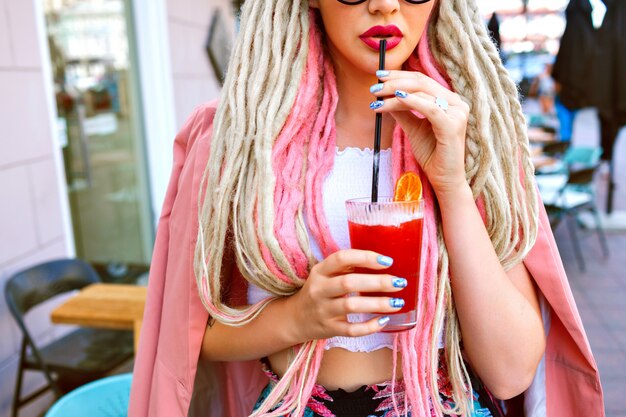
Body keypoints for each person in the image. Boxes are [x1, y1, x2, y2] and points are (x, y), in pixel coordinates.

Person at [129, 1, 604, 417]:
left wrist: (452, 184)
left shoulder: (471, 133)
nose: (384, 6)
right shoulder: (238, 140)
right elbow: (194, 336)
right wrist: (297, 318)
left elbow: (510, 372)